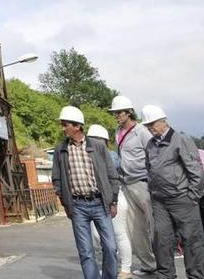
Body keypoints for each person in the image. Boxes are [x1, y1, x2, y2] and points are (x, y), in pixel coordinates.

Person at [52, 106, 120, 279]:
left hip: (100, 203)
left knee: (111, 247)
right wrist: (65, 202)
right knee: (85, 251)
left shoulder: (97, 146)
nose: (63, 128)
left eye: (65, 124)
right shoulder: (61, 149)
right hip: (77, 206)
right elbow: (57, 178)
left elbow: (112, 174)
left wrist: (113, 200)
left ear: (77, 126)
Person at [141, 104, 204, 279]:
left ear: (163, 121)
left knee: (191, 241)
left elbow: (195, 170)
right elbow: (149, 169)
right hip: (159, 200)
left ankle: (196, 276)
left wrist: (192, 195)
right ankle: (165, 275)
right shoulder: (150, 144)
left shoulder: (180, 140)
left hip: (182, 199)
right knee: (161, 240)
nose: (150, 128)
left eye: (152, 124)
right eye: (147, 125)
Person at [109, 95, 156, 275]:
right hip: (127, 184)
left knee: (155, 225)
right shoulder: (117, 132)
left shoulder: (142, 131)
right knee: (135, 227)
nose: (117, 115)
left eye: (119, 112)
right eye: (114, 113)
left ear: (129, 112)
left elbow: (153, 155)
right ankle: (148, 264)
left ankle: (164, 264)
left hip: (144, 183)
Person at [88, 124, 133, 279]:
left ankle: (125, 269)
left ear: (104, 141)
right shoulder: (86, 154)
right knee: (96, 235)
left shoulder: (111, 155)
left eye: (96, 140)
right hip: (96, 201)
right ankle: (109, 266)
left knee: (119, 234)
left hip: (115, 198)